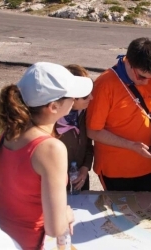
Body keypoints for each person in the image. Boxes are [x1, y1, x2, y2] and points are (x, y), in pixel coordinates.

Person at [0, 62, 93, 249]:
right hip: (28, 242)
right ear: (53, 107)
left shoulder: (11, 130)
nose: (75, 100)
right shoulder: (51, 149)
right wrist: (68, 214)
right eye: (72, 96)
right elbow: (55, 228)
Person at [86, 37, 151, 193]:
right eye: (142, 77)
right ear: (128, 62)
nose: (146, 82)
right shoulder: (104, 85)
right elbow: (93, 131)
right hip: (116, 171)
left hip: (149, 166)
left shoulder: (150, 78)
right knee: (121, 216)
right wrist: (132, 146)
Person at [57, 64, 94, 192]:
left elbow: (89, 145)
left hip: (80, 181)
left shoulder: (83, 113)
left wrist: (84, 168)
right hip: (56, 184)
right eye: (85, 95)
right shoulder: (50, 123)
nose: (91, 98)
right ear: (70, 97)